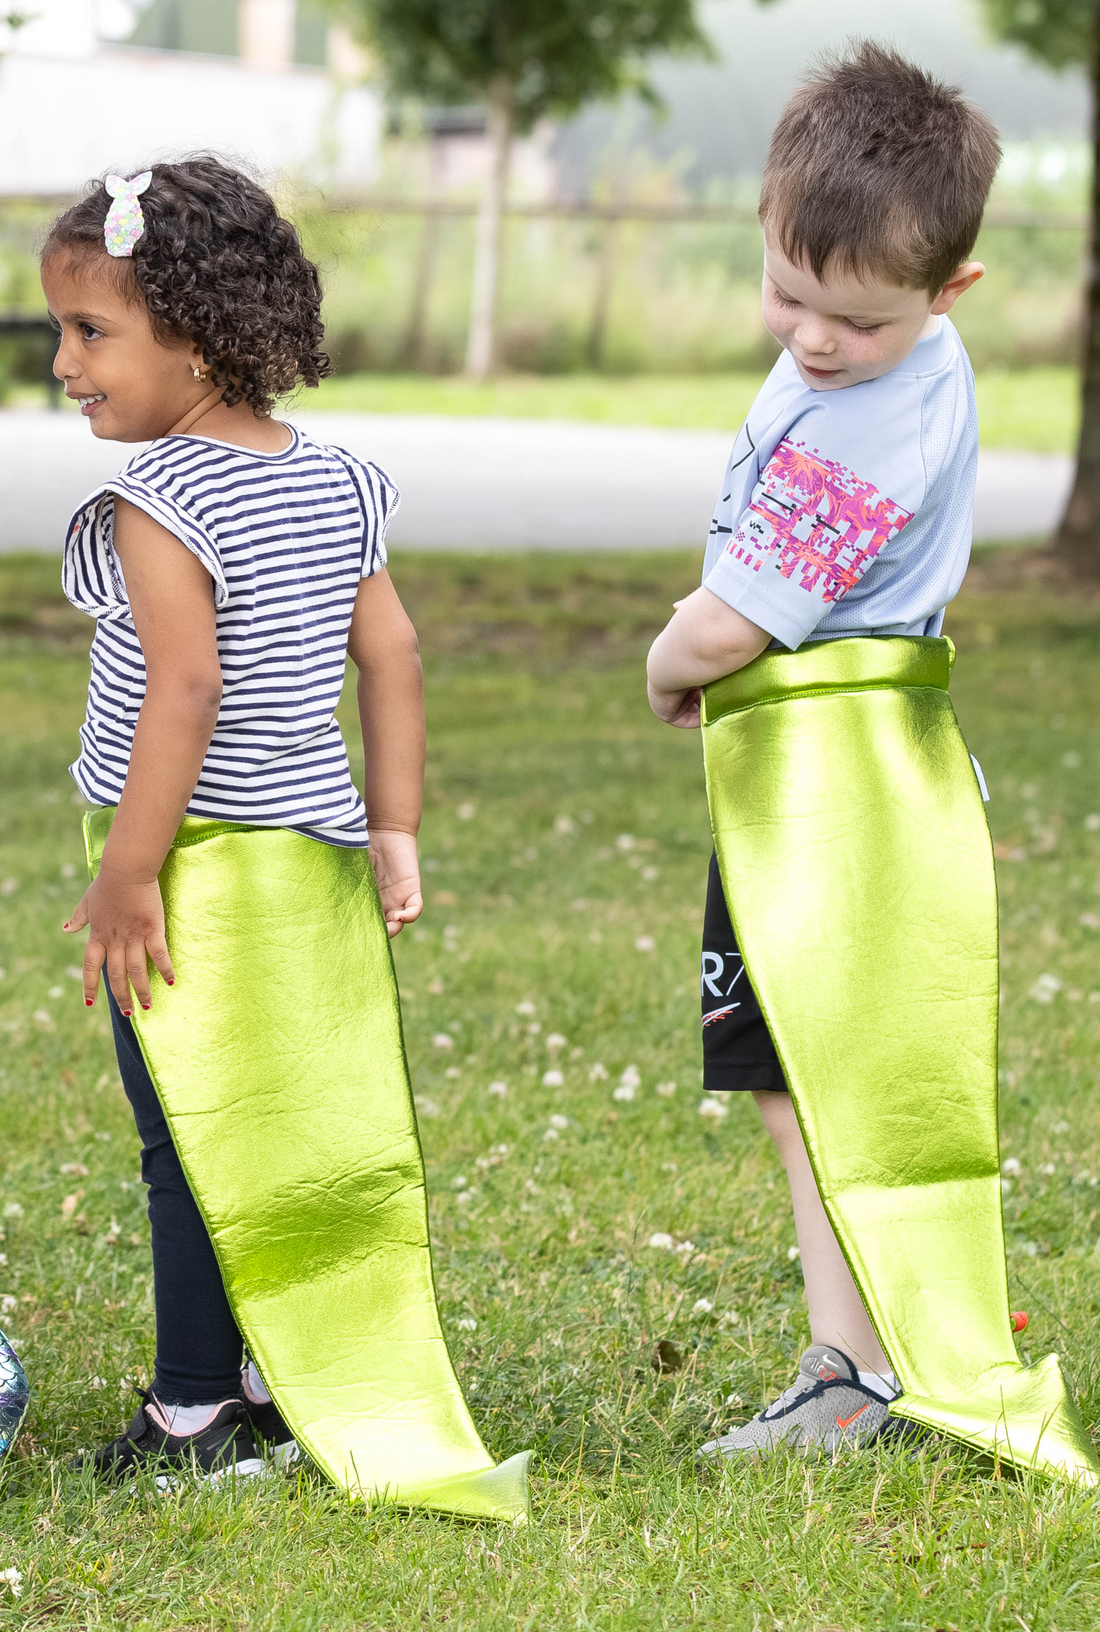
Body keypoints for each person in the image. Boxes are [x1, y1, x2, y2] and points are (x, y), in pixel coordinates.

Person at [43, 161, 529, 1518]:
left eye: (93, 332)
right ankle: (266, 1387)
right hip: (307, 860)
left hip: (196, 863)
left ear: (193, 336)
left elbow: (184, 690)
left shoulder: (161, 501)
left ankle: (194, 1404)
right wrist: (396, 826)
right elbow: (397, 656)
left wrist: (131, 870)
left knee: (187, 1136)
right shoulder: (337, 479)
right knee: (286, 1128)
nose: (65, 363)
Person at [646, 45, 1097, 1481]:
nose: (816, 340)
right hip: (813, 776)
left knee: (820, 1073)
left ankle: (861, 1369)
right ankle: (860, 1354)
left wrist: (664, 659)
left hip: (834, 786)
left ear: (951, 292)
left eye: (857, 318)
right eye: (790, 295)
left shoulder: (878, 421)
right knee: (798, 1074)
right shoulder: (902, 355)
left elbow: (743, 618)